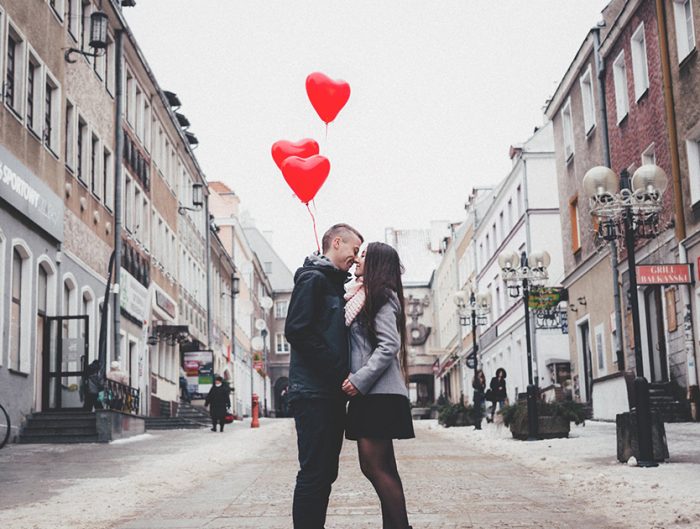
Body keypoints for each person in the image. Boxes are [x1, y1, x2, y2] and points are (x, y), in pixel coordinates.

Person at [285, 223, 364, 529]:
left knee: (324, 473)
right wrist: (338, 370)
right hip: (313, 393)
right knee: (314, 473)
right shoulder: (313, 280)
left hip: (328, 393)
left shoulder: (331, 283)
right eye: (354, 250)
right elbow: (297, 330)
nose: (356, 259)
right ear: (337, 241)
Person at [342, 242, 414, 529]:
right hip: (375, 394)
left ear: (376, 264)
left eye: (363, 256)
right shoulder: (364, 296)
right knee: (383, 468)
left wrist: (359, 381)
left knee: (374, 467)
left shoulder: (381, 295)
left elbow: (388, 346)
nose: (358, 260)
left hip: (377, 394)